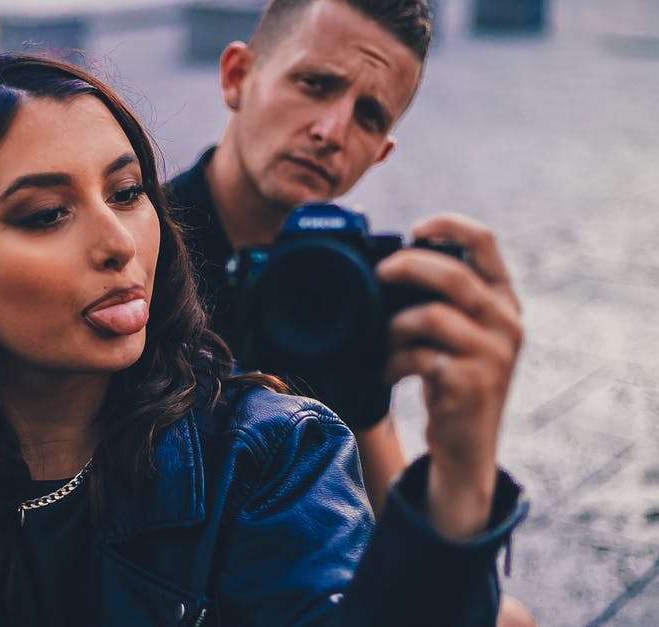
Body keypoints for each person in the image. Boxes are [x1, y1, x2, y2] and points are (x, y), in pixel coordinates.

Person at [0, 54, 525, 625]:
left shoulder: (269, 458)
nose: (118, 241)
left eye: (127, 192)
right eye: (45, 213)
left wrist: (457, 485)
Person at [166, 2, 535, 623]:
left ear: (379, 153)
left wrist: (461, 459)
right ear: (237, 78)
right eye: (315, 85)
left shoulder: (343, 285)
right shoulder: (145, 249)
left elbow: (382, 513)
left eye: (368, 116)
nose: (332, 130)